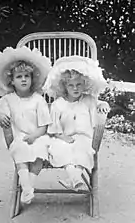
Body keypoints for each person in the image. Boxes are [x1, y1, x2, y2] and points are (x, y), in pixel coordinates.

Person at [0, 46, 52, 204]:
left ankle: (28, 186)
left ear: (32, 79)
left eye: (27, 76)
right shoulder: (8, 99)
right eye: (19, 77)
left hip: (38, 135)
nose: (23, 79)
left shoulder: (38, 100)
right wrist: (0, 115)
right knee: (19, 149)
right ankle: (26, 185)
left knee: (40, 153)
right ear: (12, 81)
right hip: (20, 137)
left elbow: (44, 126)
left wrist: (35, 136)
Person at [43, 55, 108, 191]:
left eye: (79, 84)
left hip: (84, 137)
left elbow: (100, 102)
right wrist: (61, 136)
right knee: (60, 149)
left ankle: (74, 179)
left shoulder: (89, 99)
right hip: (63, 136)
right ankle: (75, 177)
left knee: (83, 150)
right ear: (64, 86)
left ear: (84, 84)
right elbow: (53, 126)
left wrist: (103, 104)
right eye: (71, 85)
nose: (75, 88)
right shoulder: (58, 104)